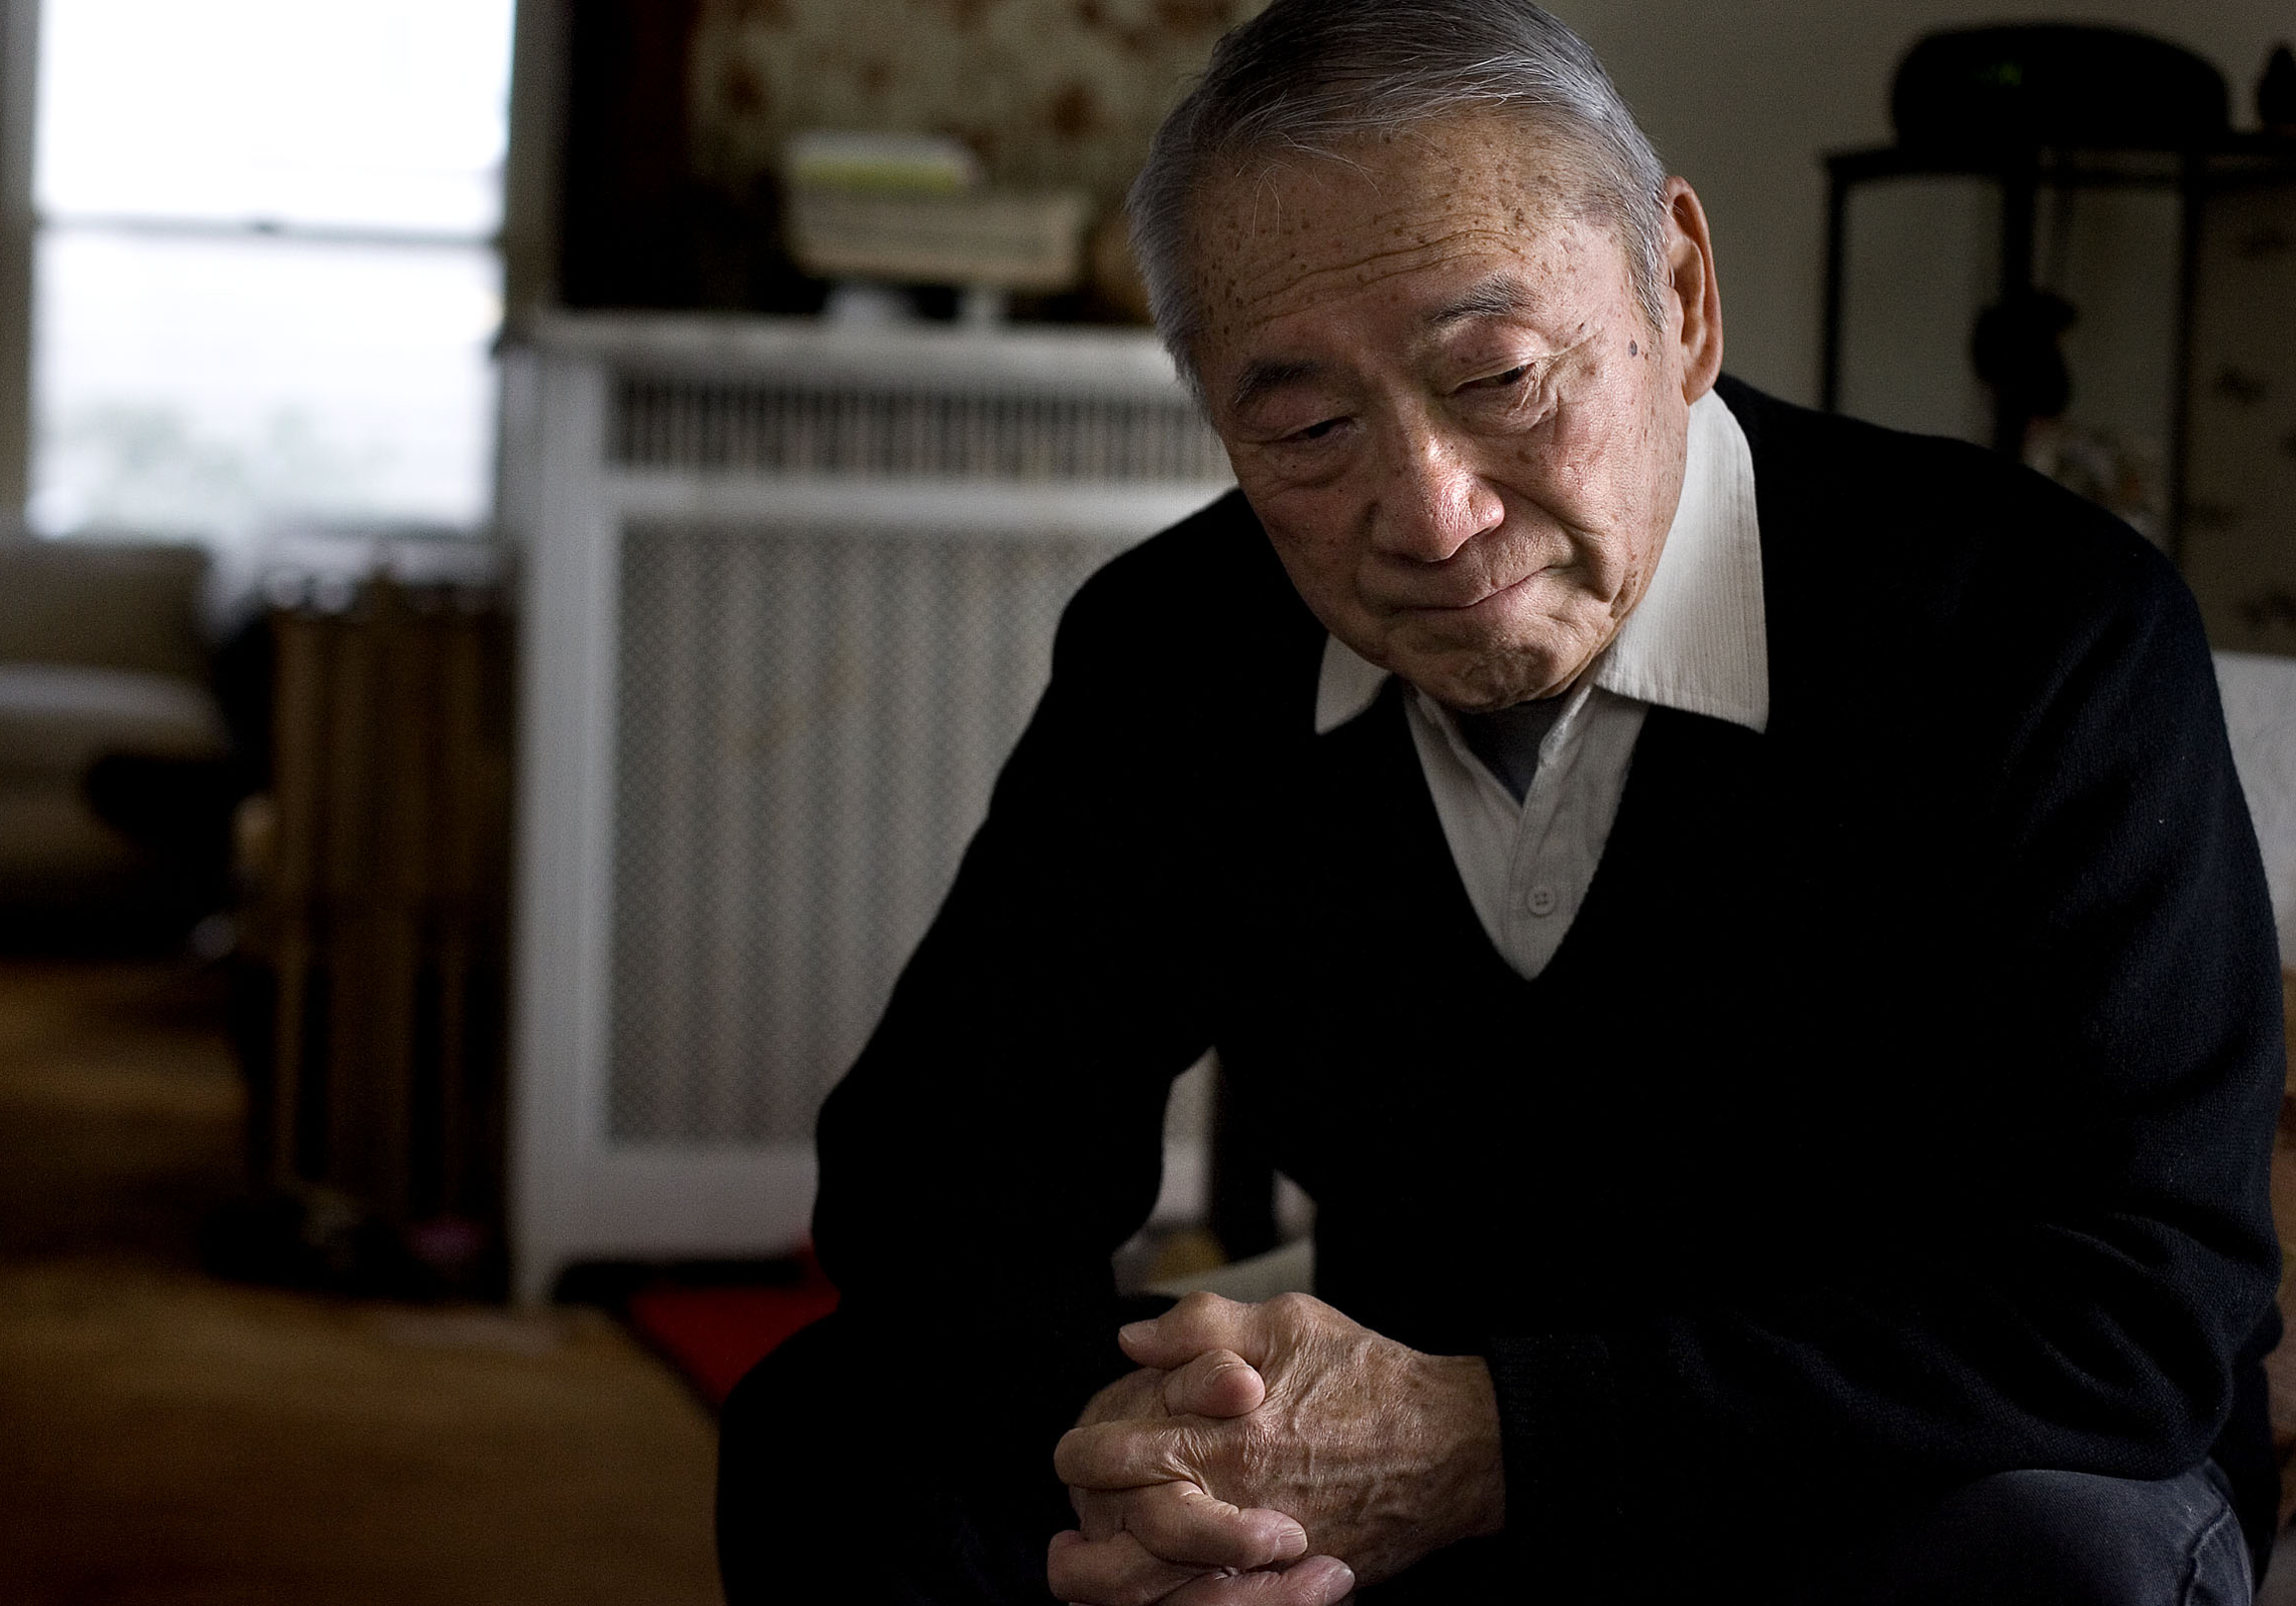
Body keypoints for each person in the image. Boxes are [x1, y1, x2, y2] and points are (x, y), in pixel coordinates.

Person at [717, 2, 2285, 1600]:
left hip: (1890, 1458)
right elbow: (940, 1172)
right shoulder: (1178, 648)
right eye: (1311, 427)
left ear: (1676, 295)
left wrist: (1489, 1438)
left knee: (2048, 1553)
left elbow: (2142, 1307)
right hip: (1418, 1469)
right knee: (832, 1437)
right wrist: (1160, 1466)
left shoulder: (2038, 633)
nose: (1430, 514)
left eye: (1501, 376)